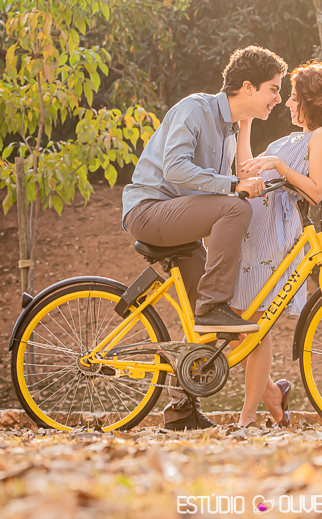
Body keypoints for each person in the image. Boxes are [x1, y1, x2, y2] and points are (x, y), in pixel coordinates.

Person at [122, 45, 288, 429]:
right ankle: (213, 305)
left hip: (180, 222)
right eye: (274, 89)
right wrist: (234, 186)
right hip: (149, 210)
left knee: (210, 326)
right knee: (237, 207)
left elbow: (219, 192)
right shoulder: (195, 109)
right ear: (248, 87)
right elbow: (176, 170)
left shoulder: (231, 130)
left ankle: (181, 413)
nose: (278, 99)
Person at [230, 61, 322, 428]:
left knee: (254, 327)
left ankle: (247, 419)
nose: (287, 103)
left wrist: (278, 165)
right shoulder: (288, 140)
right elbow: (246, 171)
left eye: (294, 97)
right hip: (251, 233)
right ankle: (273, 395)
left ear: (313, 100)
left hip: (274, 236)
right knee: (237, 326)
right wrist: (245, 125)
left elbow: (316, 191)